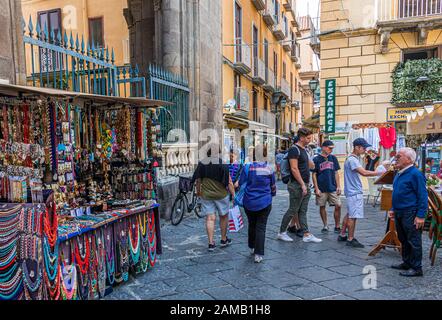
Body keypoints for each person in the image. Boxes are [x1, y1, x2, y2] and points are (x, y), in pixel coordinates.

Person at [277, 128, 322, 243]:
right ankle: (282, 232)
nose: (309, 140)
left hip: (305, 184)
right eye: (308, 138)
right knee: (293, 209)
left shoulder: (304, 150)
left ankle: (306, 234)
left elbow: (311, 166)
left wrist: (308, 155)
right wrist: (302, 184)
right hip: (297, 185)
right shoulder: (294, 150)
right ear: (301, 137)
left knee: (302, 210)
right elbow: (294, 168)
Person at [389, 147, 427, 277]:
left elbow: (422, 196)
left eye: (399, 156)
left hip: (410, 211)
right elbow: (397, 193)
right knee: (403, 239)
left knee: (413, 240)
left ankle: (417, 268)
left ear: (409, 159)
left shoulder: (416, 174)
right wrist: (393, 209)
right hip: (400, 211)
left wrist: (421, 216)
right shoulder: (399, 173)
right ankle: (407, 262)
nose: (396, 158)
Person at [338, 138, 381, 248]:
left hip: (351, 191)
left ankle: (342, 234)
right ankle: (350, 238)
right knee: (353, 216)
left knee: (349, 213)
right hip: (354, 191)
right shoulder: (353, 160)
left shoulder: (351, 158)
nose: (365, 150)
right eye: (364, 148)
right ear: (357, 147)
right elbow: (364, 173)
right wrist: (380, 172)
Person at [192, 145, 236, 252]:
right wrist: (234, 195)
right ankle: (223, 239)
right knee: (223, 216)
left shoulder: (202, 163)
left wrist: (198, 192)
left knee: (210, 218)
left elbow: (198, 180)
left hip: (206, 195)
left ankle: (211, 243)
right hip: (221, 195)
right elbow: (229, 182)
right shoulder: (222, 164)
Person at [239, 143, 276, 263]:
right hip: (264, 201)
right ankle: (258, 254)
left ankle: (252, 246)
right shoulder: (269, 168)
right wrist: (272, 195)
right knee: (261, 227)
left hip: (249, 201)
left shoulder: (247, 167)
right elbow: (273, 185)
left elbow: (241, 183)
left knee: (252, 224)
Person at [312, 140, 342, 233]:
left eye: (332, 148)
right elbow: (314, 174)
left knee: (338, 205)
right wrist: (316, 188)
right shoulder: (316, 159)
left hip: (332, 186)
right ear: (323, 147)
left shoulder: (333, 158)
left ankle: (337, 225)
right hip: (321, 188)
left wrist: (338, 186)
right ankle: (325, 225)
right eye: (330, 148)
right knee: (322, 206)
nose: (331, 150)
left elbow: (336, 172)